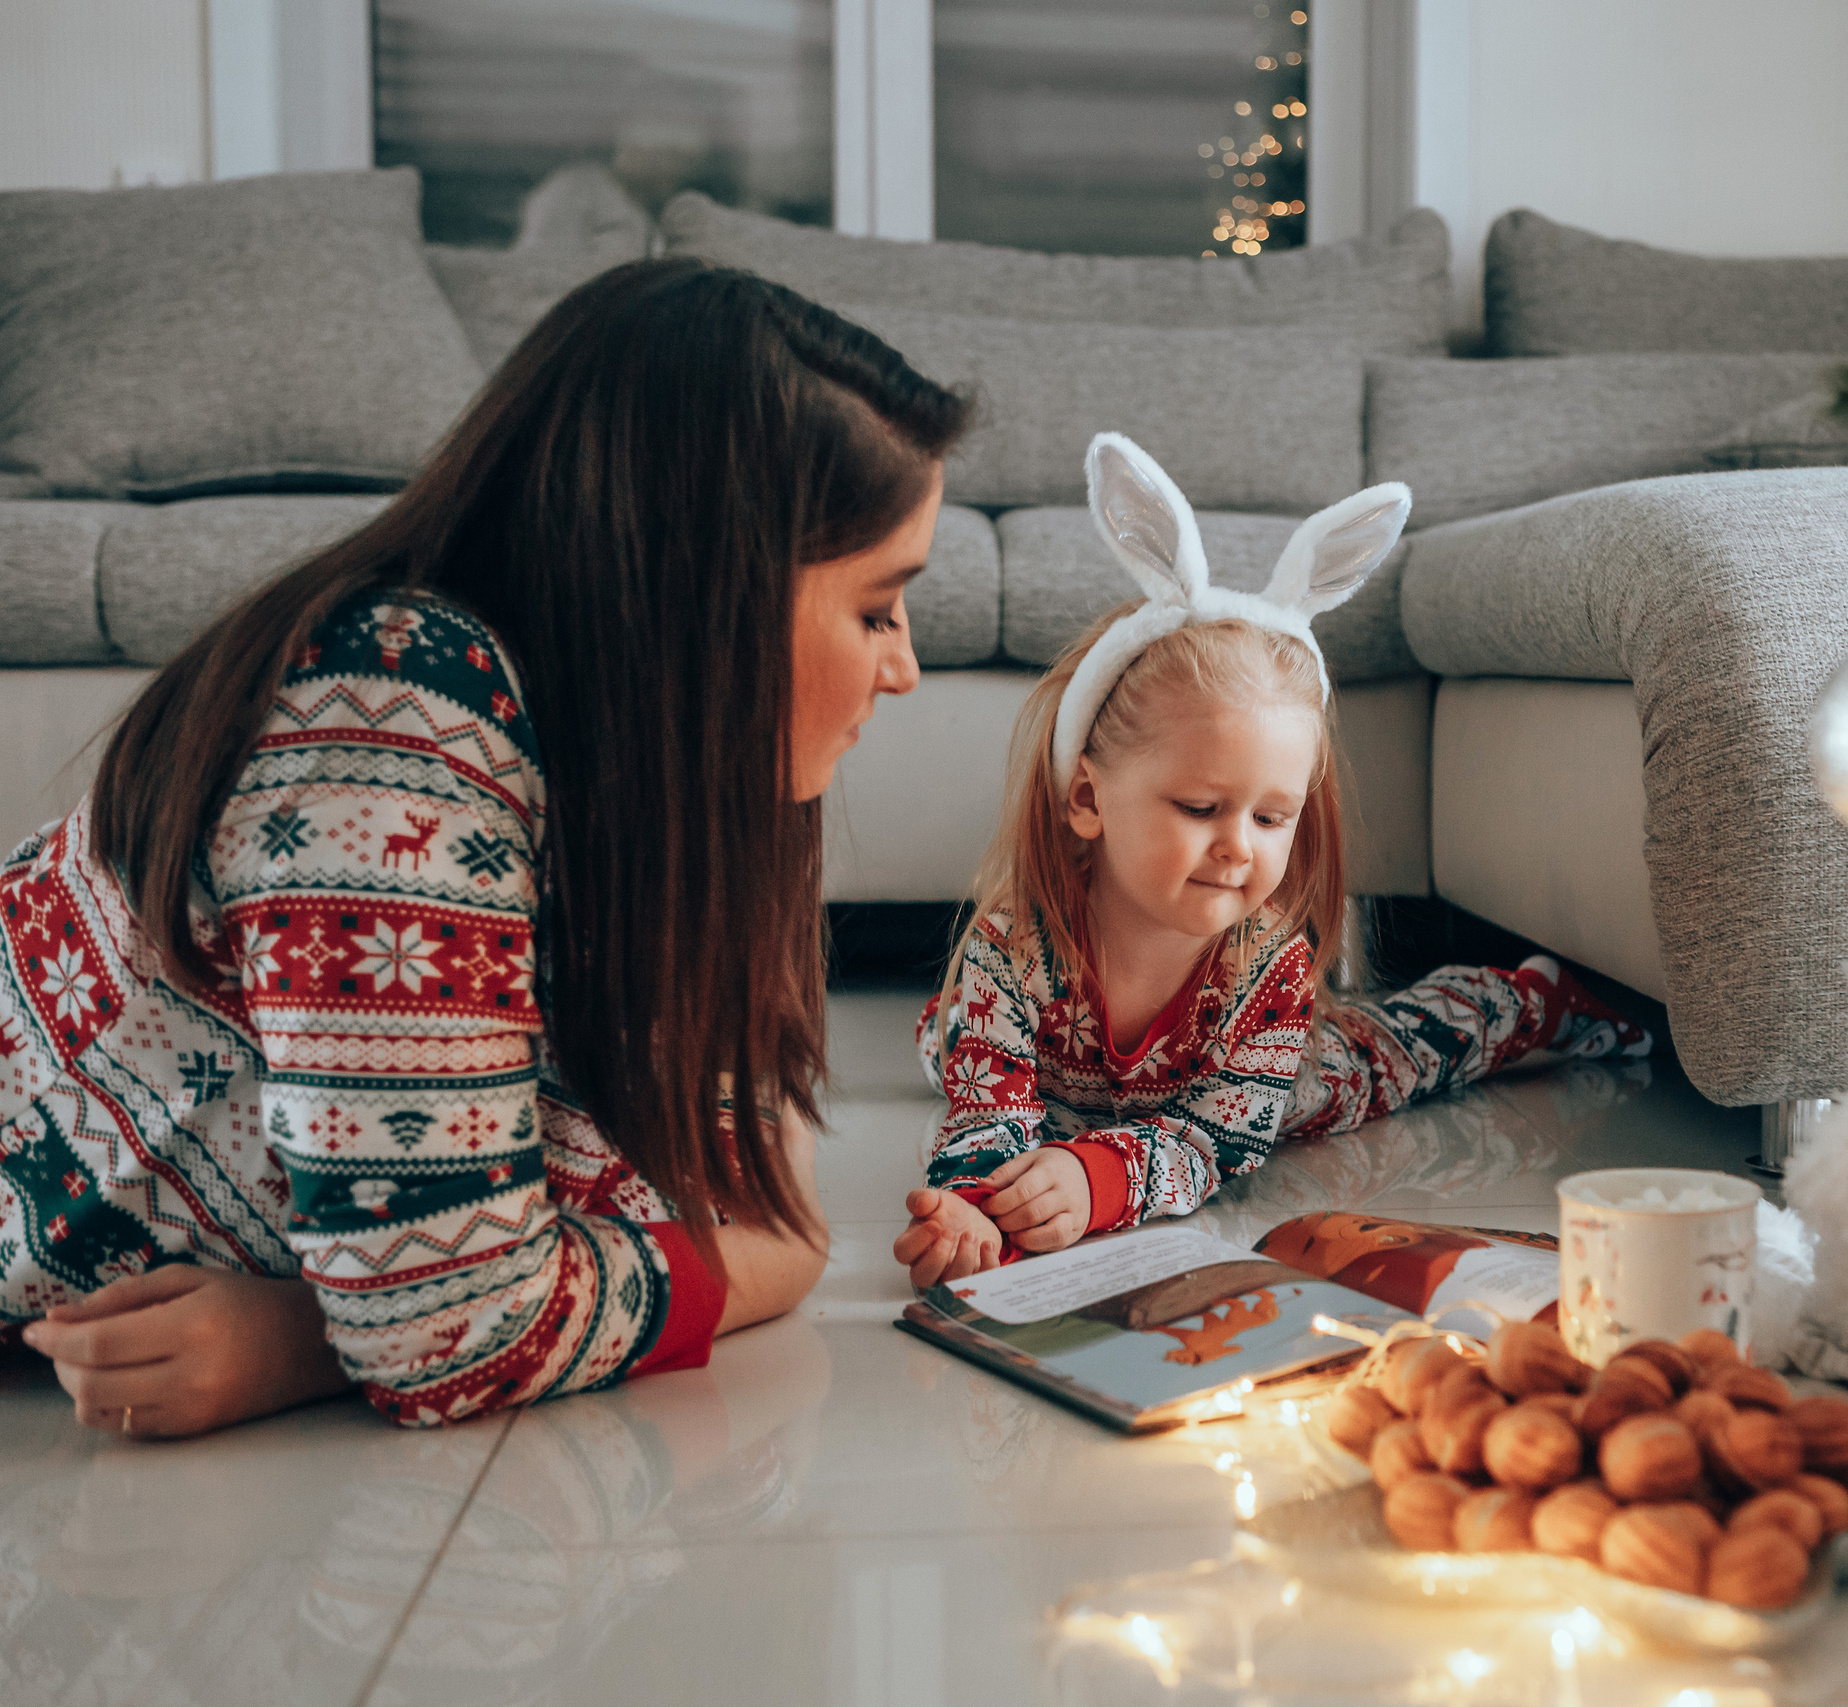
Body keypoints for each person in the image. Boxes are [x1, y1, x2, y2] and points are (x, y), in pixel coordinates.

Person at [0, 259, 969, 1435]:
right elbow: (448, 1335)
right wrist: (353, 1329)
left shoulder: (649, 792)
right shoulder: (387, 721)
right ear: (707, 591)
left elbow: (778, 1220)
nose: (904, 668)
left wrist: (311, 1334)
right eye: (875, 608)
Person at [893, 435, 1646, 1287]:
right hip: (1048, 1054)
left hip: (1247, 1072)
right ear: (1089, 800)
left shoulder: (1271, 968)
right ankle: (958, 1027)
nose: (1237, 845)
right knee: (966, 1053)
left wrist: (1098, 1178)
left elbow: (1216, 1139)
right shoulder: (1016, 943)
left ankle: (1529, 1000)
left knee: (1371, 1064)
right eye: (1200, 808)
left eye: (1270, 815)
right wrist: (967, 1205)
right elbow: (987, 1115)